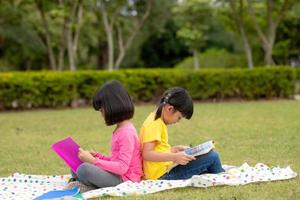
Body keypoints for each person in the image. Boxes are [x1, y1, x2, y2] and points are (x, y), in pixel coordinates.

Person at [66, 80, 143, 191]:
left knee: (84, 169)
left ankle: (87, 185)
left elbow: (122, 167)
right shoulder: (120, 129)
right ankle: (86, 183)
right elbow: (116, 160)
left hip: (124, 179)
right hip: (117, 175)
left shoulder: (126, 133)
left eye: (101, 110)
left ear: (113, 106)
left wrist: (94, 161)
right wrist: (98, 156)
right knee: (76, 165)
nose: (101, 114)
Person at [139, 87, 224, 180]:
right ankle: (221, 177)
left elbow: (157, 149)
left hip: (164, 170)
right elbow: (147, 154)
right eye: (179, 117)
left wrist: (174, 149)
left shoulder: (157, 120)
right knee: (213, 156)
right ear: (170, 109)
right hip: (162, 175)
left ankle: (216, 174)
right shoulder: (154, 124)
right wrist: (174, 157)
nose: (178, 121)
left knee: (207, 157)